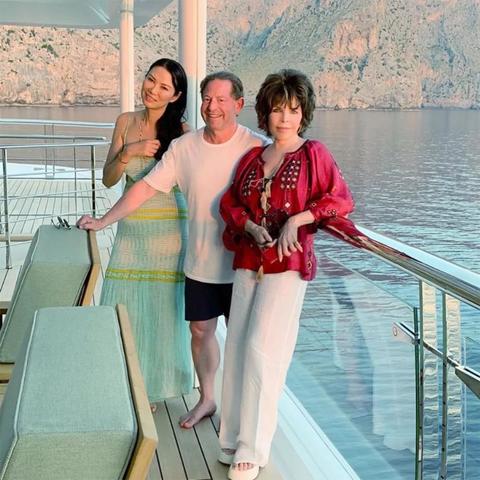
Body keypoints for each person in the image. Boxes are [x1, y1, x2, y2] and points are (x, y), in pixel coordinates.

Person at [77, 71, 267, 428]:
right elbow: (145, 187)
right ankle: (207, 399)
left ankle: (245, 412)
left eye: (221, 100)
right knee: (200, 332)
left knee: (243, 338)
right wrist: (104, 221)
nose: (213, 107)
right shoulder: (184, 146)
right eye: (207, 99)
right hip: (200, 260)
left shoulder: (256, 147)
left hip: (243, 263)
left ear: (238, 104)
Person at [218, 69, 355, 480]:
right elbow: (230, 202)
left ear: (303, 113)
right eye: (278, 109)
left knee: (263, 349)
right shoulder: (253, 158)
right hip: (249, 261)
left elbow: (341, 200)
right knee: (238, 346)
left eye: (293, 110)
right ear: (266, 112)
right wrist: (247, 225)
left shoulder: (313, 154)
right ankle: (232, 436)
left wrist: (300, 218)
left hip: (287, 265)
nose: (285, 118)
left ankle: (252, 447)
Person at [99, 58, 193, 410]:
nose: (152, 89)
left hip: (169, 232)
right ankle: (124, 381)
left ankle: (152, 386)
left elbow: (190, 184)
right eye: (151, 80)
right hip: (130, 228)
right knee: (124, 304)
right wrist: (129, 151)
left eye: (164, 87)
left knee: (160, 310)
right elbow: (108, 179)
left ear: (175, 95)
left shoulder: (182, 132)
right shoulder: (125, 121)